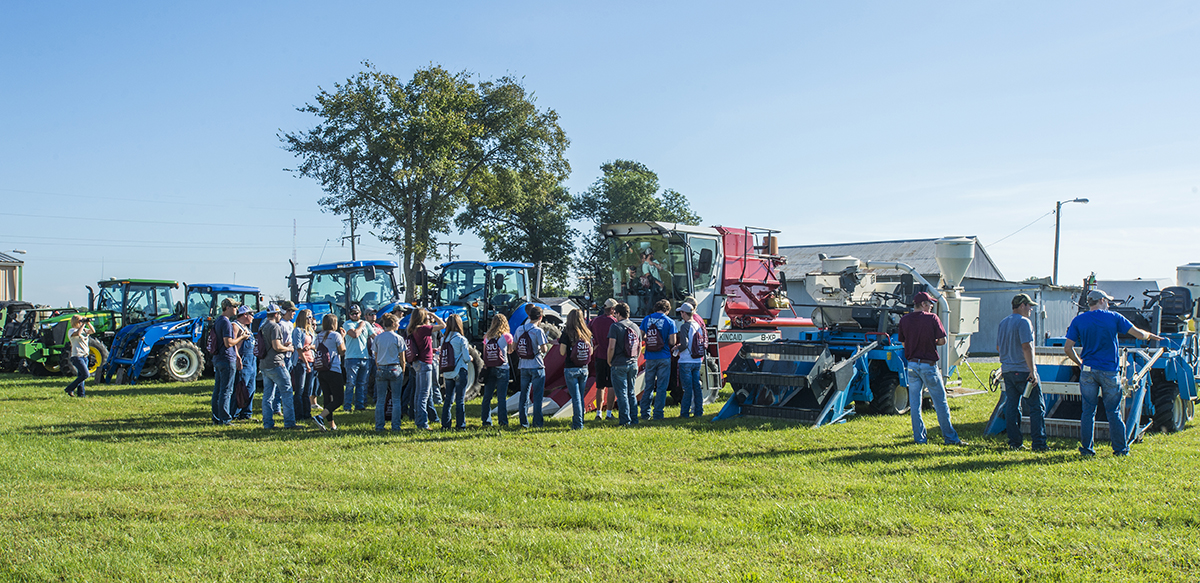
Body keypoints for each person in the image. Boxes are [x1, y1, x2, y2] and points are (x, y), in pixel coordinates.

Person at [1064, 289, 1163, 457]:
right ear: (1101, 300)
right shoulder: (1114, 317)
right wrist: (1150, 336)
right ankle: (1120, 450)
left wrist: (1080, 363)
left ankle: (1087, 450)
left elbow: (1068, 348)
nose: (1109, 304)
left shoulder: (1079, 320)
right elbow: (1138, 334)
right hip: (1109, 371)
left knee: (1088, 412)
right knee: (1113, 412)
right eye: (1107, 301)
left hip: (1088, 371)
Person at [898, 291, 967, 446]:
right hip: (928, 365)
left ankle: (920, 438)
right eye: (929, 303)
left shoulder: (905, 319)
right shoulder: (932, 318)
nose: (931, 306)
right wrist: (931, 341)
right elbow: (942, 340)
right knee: (940, 402)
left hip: (912, 365)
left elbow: (903, 343)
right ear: (923, 304)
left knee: (915, 404)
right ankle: (950, 438)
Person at [997, 294, 1046, 451]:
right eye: (1029, 306)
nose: (1031, 309)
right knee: (1037, 407)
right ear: (1022, 305)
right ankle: (1038, 444)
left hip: (1008, 370)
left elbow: (999, 347)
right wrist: (1032, 371)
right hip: (1023, 370)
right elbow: (1027, 346)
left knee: (1012, 406)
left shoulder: (1003, 322)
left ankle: (1015, 442)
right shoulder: (1024, 322)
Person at [407, 308, 446, 431]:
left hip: (419, 362)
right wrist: (433, 315)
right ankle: (422, 423)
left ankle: (419, 420)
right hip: (425, 363)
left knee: (419, 394)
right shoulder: (423, 329)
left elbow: (423, 345)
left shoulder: (413, 329)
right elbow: (443, 325)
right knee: (424, 395)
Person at [639, 299, 677, 421]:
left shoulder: (647, 319)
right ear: (667, 310)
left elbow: (641, 336)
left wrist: (650, 338)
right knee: (661, 387)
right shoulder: (670, 321)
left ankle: (645, 413)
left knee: (648, 386)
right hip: (664, 356)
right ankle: (658, 414)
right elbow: (672, 341)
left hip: (650, 356)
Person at [259, 303, 296, 430]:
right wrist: (288, 348)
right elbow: (276, 347)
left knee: (268, 396)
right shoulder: (274, 326)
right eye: (279, 313)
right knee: (287, 391)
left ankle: (268, 424)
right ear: (275, 314)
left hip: (265, 364)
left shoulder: (263, 325)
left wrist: (282, 345)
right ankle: (290, 423)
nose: (280, 316)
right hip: (276, 363)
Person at [514, 304, 552, 428]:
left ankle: (523, 422)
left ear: (529, 316)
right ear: (540, 317)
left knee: (523, 395)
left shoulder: (520, 329)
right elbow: (544, 348)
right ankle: (537, 422)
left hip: (523, 365)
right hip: (537, 365)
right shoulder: (538, 331)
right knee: (537, 396)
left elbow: (514, 346)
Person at [211, 298, 246, 426]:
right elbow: (228, 342)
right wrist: (241, 337)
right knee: (226, 390)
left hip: (218, 359)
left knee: (218, 389)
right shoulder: (226, 322)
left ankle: (216, 416)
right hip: (227, 358)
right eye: (234, 307)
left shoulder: (218, 321)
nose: (236, 309)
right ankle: (225, 419)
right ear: (228, 308)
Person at [608, 302, 640, 427]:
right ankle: (634, 418)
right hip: (633, 363)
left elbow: (611, 347)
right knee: (631, 392)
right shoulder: (635, 327)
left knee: (621, 393)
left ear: (618, 313)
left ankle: (625, 420)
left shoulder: (615, 327)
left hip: (619, 363)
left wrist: (609, 361)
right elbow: (639, 346)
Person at [559, 310, 592, 430]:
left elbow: (562, 352)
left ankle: (578, 424)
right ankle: (580, 419)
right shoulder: (586, 332)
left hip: (571, 368)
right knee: (580, 396)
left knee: (575, 397)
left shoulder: (567, 333)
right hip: (583, 368)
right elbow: (591, 351)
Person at [373, 312, 406, 432]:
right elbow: (402, 358)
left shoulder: (378, 338)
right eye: (397, 323)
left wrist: (378, 367)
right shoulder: (398, 338)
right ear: (392, 324)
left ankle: (379, 426)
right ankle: (396, 426)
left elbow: (376, 357)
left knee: (381, 399)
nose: (399, 324)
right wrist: (402, 370)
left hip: (381, 367)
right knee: (396, 399)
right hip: (394, 367)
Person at [480, 314, 515, 427]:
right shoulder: (507, 336)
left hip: (490, 369)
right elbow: (510, 351)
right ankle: (502, 422)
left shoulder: (487, 337)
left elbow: (485, 353)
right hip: (503, 368)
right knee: (501, 397)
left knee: (487, 396)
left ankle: (486, 421)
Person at [313, 314, 347, 431]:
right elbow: (342, 351)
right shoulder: (335, 335)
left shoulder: (318, 336)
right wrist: (343, 337)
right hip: (334, 370)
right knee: (338, 400)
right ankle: (320, 417)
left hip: (322, 370)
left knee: (328, 398)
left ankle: (331, 425)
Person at [439, 314, 472, 430]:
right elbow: (467, 358)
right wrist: (471, 358)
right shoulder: (461, 339)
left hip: (448, 371)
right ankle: (460, 425)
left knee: (448, 399)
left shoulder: (443, 339)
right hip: (460, 370)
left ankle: (445, 424)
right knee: (460, 400)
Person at [342, 304, 375, 412]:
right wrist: (361, 325)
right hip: (351, 357)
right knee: (351, 383)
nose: (355, 315)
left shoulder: (366, 324)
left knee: (362, 383)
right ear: (349, 314)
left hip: (365, 357)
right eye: (353, 313)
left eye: (357, 313)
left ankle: (359, 405)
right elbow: (354, 334)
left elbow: (374, 336)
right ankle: (347, 406)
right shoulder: (347, 324)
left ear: (360, 313)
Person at [588, 299, 618, 420]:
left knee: (600, 386)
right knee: (611, 385)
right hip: (611, 356)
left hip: (598, 356)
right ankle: (609, 413)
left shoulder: (594, 321)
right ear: (612, 309)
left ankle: (598, 413)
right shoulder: (614, 322)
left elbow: (589, 334)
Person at [676, 303, 705, 418]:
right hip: (697, 360)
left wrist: (677, 348)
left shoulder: (684, 326)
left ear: (684, 313)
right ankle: (699, 411)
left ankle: (684, 413)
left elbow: (684, 344)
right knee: (696, 387)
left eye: (681, 312)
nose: (681, 315)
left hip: (686, 360)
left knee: (687, 388)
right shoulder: (697, 325)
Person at [231, 305, 257, 420]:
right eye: (251, 314)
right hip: (244, 359)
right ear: (244, 315)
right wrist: (238, 358)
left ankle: (246, 413)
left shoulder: (247, 327)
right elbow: (233, 345)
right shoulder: (235, 326)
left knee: (251, 387)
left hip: (252, 360)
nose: (253, 317)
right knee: (241, 386)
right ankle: (234, 413)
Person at [292, 309, 318, 425]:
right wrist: (306, 363)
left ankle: (307, 413)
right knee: (300, 390)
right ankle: (299, 414)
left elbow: (315, 345)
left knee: (308, 390)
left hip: (311, 361)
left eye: (311, 317)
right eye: (308, 317)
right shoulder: (298, 331)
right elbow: (298, 348)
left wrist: (311, 347)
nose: (310, 319)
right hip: (301, 363)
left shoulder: (310, 331)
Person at [64, 314, 95, 397]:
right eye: (80, 321)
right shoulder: (71, 330)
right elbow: (78, 333)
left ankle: (81, 394)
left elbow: (93, 331)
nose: (81, 323)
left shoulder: (84, 330)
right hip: (77, 356)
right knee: (86, 374)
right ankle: (69, 388)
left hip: (85, 356)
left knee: (81, 376)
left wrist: (88, 323)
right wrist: (83, 324)